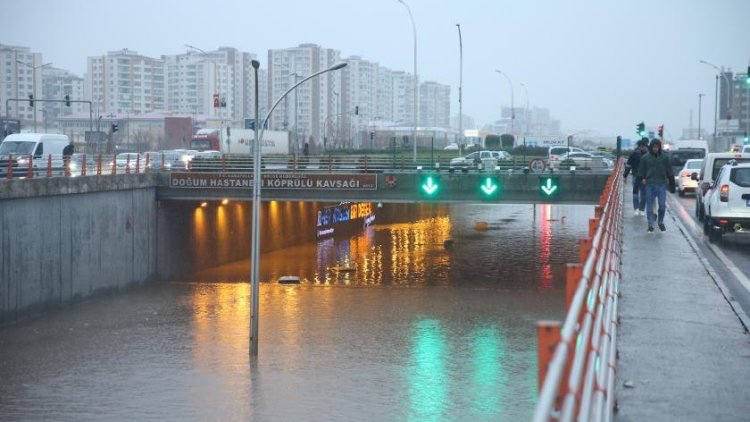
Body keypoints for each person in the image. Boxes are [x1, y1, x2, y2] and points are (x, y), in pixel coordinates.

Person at [638, 138, 675, 233]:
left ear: (659, 147)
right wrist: (640, 181)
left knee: (662, 205)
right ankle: (650, 224)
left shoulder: (665, 157)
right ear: (651, 147)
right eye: (654, 147)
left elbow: (670, 171)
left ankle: (660, 221)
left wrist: (672, 185)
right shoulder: (645, 158)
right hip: (650, 184)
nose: (655, 149)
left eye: (657, 147)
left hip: (661, 184)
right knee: (649, 205)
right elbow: (641, 171)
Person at [624, 138, 649, 216]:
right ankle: (636, 209)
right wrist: (625, 175)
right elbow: (628, 166)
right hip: (636, 176)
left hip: (645, 177)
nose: (642, 148)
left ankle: (641, 209)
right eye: (641, 146)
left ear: (646, 146)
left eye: (643, 146)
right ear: (639, 146)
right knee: (635, 193)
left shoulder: (649, 155)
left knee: (644, 194)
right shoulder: (634, 154)